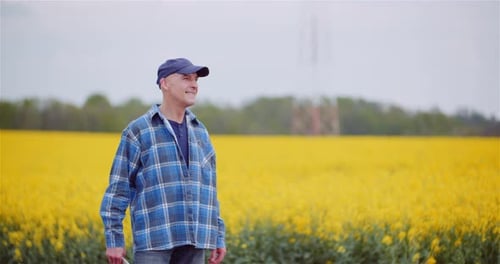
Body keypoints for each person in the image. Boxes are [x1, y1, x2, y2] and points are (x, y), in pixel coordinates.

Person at [100, 58, 226, 264]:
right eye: (186, 78)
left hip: (195, 242)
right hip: (154, 242)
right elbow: (118, 189)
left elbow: (210, 191)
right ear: (165, 84)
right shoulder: (139, 130)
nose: (194, 84)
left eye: (196, 80)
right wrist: (114, 239)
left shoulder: (200, 131)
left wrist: (218, 235)